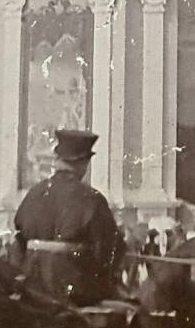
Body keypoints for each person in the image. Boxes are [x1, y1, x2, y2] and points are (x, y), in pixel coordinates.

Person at [12, 130, 124, 304]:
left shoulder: (34, 193)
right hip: (76, 290)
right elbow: (108, 250)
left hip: (32, 286)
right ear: (83, 163)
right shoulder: (92, 198)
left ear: (57, 160)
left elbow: (19, 240)